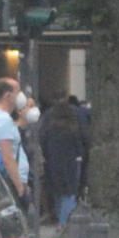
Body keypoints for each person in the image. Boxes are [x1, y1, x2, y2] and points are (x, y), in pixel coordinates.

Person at [40, 91, 88, 224]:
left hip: (53, 162)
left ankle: (60, 218)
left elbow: (42, 140)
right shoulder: (72, 127)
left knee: (57, 193)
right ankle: (65, 224)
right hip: (71, 163)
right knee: (70, 193)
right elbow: (82, 142)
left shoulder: (49, 126)